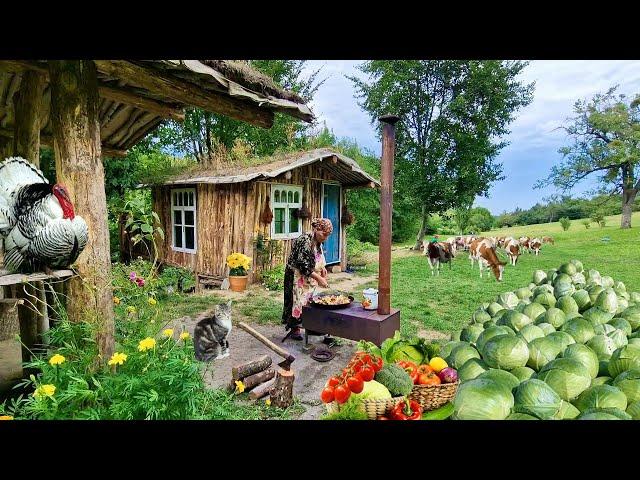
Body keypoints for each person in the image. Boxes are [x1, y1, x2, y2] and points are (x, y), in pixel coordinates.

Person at [281, 218, 332, 340]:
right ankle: (295, 328)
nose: (325, 237)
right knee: (297, 301)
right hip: (296, 275)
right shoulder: (304, 240)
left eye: (327, 235)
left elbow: (317, 256)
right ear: (316, 229)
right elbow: (303, 266)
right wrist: (319, 278)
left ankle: (309, 325)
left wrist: (322, 268)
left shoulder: (318, 240)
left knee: (308, 302)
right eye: (324, 234)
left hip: (307, 277)